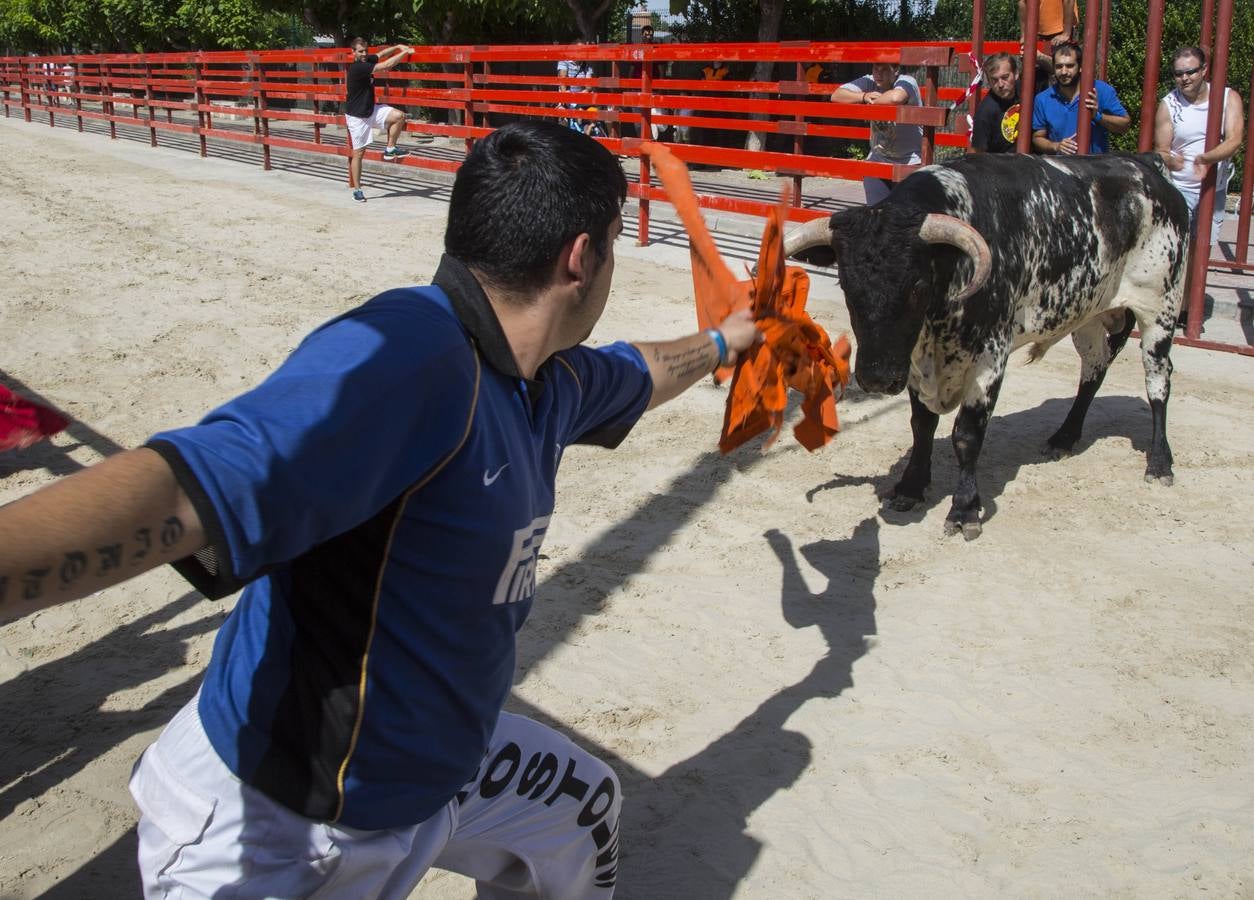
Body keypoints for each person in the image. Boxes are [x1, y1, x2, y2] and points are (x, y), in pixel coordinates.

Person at [0, 120, 758, 898]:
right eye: (616, 244)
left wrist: (731, 340)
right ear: (582, 257)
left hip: (436, 770)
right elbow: (192, 485)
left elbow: (639, 370)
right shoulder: (411, 357)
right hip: (281, 823)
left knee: (581, 810)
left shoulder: (548, 378)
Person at [1154, 45, 1245, 253]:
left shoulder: (1227, 98)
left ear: (1204, 70)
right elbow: (1161, 151)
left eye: (1190, 72)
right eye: (1178, 74)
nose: (1184, 78)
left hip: (1213, 190)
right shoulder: (1169, 105)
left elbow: (1234, 140)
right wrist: (1172, 161)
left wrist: (1205, 159)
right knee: (1177, 252)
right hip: (1178, 190)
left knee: (1201, 253)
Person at [830, 61, 923, 206]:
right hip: (878, 160)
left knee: (903, 215)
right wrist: (864, 96)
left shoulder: (907, 81)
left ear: (896, 70)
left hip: (909, 161)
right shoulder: (869, 81)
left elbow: (895, 98)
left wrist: (872, 101)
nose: (878, 74)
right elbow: (836, 95)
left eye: (885, 69)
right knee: (876, 213)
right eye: (875, 68)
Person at [345, 38, 414, 204]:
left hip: (370, 110)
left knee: (399, 116)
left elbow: (381, 54)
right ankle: (357, 190)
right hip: (357, 116)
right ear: (353, 53)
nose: (364, 54)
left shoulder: (366, 60)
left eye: (365, 51)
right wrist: (405, 52)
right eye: (360, 51)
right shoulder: (357, 68)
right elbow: (386, 65)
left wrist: (397, 46)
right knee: (359, 153)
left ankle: (390, 148)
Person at [1030, 41, 1130, 155]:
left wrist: (1098, 116)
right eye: (1059, 66)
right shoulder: (1042, 99)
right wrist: (1056, 146)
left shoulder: (1101, 90)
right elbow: (1037, 138)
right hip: (1060, 165)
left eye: (1070, 66)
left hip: (1095, 164)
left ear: (1081, 67)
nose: (1064, 72)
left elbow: (1125, 125)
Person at [971, 52, 1021, 153]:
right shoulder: (985, 112)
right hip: (999, 161)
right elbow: (977, 154)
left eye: (1005, 77)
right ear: (989, 82)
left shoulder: (1027, 89)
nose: (1000, 84)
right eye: (994, 80)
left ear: (1016, 74)